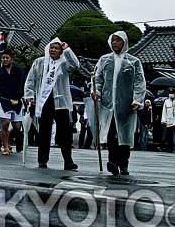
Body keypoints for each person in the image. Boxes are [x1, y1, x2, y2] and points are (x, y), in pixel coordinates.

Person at [93, 31, 146, 176]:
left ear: (124, 42)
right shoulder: (104, 60)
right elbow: (97, 78)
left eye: (118, 40)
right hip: (108, 105)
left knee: (124, 136)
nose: (115, 43)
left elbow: (139, 82)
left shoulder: (133, 61)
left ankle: (123, 164)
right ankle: (113, 162)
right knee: (111, 134)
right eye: (113, 40)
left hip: (126, 105)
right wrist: (96, 91)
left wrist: (137, 100)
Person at [25, 37, 81, 171]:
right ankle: (42, 159)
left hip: (61, 102)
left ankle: (68, 161)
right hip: (44, 101)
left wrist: (67, 50)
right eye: (52, 47)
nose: (53, 50)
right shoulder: (40, 62)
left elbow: (76, 65)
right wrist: (29, 94)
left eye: (56, 48)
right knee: (44, 131)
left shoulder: (64, 63)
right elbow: (30, 79)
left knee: (64, 132)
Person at [0, 50, 25, 157]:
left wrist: (26, 96)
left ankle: (9, 140)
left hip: (17, 100)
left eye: (7, 58)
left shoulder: (19, 71)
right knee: (5, 124)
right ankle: (6, 146)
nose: (5, 59)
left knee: (17, 126)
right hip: (4, 100)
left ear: (11, 59)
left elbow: (24, 84)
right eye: (3, 57)